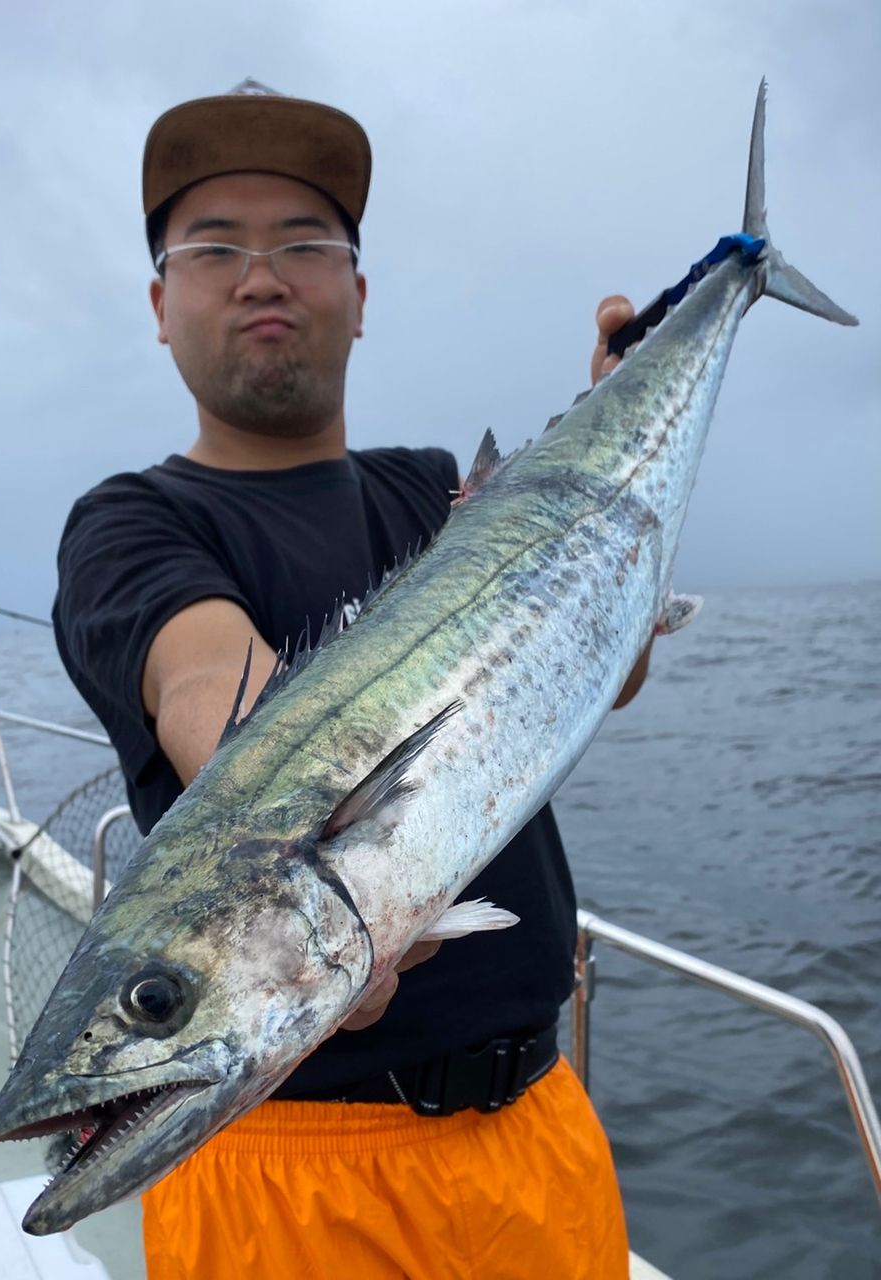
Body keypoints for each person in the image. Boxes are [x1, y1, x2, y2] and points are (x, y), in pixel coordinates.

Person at [54, 79, 646, 1280]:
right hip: (283, 1184)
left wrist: (621, 437)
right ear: (162, 306)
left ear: (359, 298)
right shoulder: (131, 525)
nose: (261, 276)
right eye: (214, 247)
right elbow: (212, 700)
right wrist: (321, 900)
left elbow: (600, 667)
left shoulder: (434, 492)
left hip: (539, 1139)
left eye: (303, 244)